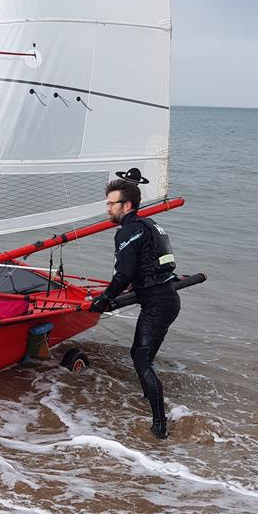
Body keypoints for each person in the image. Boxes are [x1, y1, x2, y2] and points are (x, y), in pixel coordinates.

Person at [89, 176, 180, 440]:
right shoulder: (152, 225)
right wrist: (133, 286)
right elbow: (160, 262)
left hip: (157, 303)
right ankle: (147, 400)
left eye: (111, 204)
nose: (108, 209)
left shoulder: (128, 230)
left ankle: (159, 426)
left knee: (141, 360)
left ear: (126, 205)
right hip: (166, 298)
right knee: (142, 356)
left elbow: (124, 273)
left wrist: (104, 298)